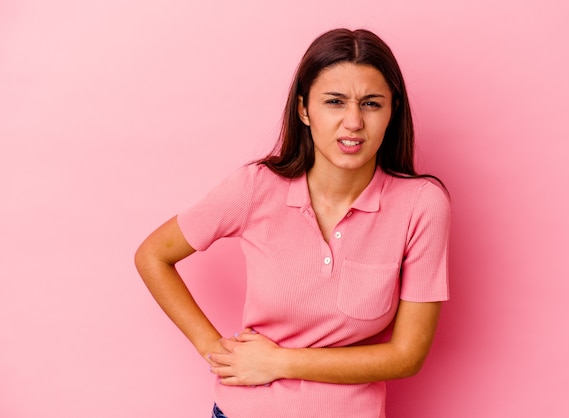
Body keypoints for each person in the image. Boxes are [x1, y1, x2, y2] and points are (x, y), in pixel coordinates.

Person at [135, 28, 450, 418]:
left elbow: (407, 357)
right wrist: (214, 349)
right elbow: (153, 255)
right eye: (334, 102)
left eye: (371, 103)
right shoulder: (255, 188)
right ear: (304, 110)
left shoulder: (422, 205)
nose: (353, 121)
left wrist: (280, 362)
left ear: (392, 111)